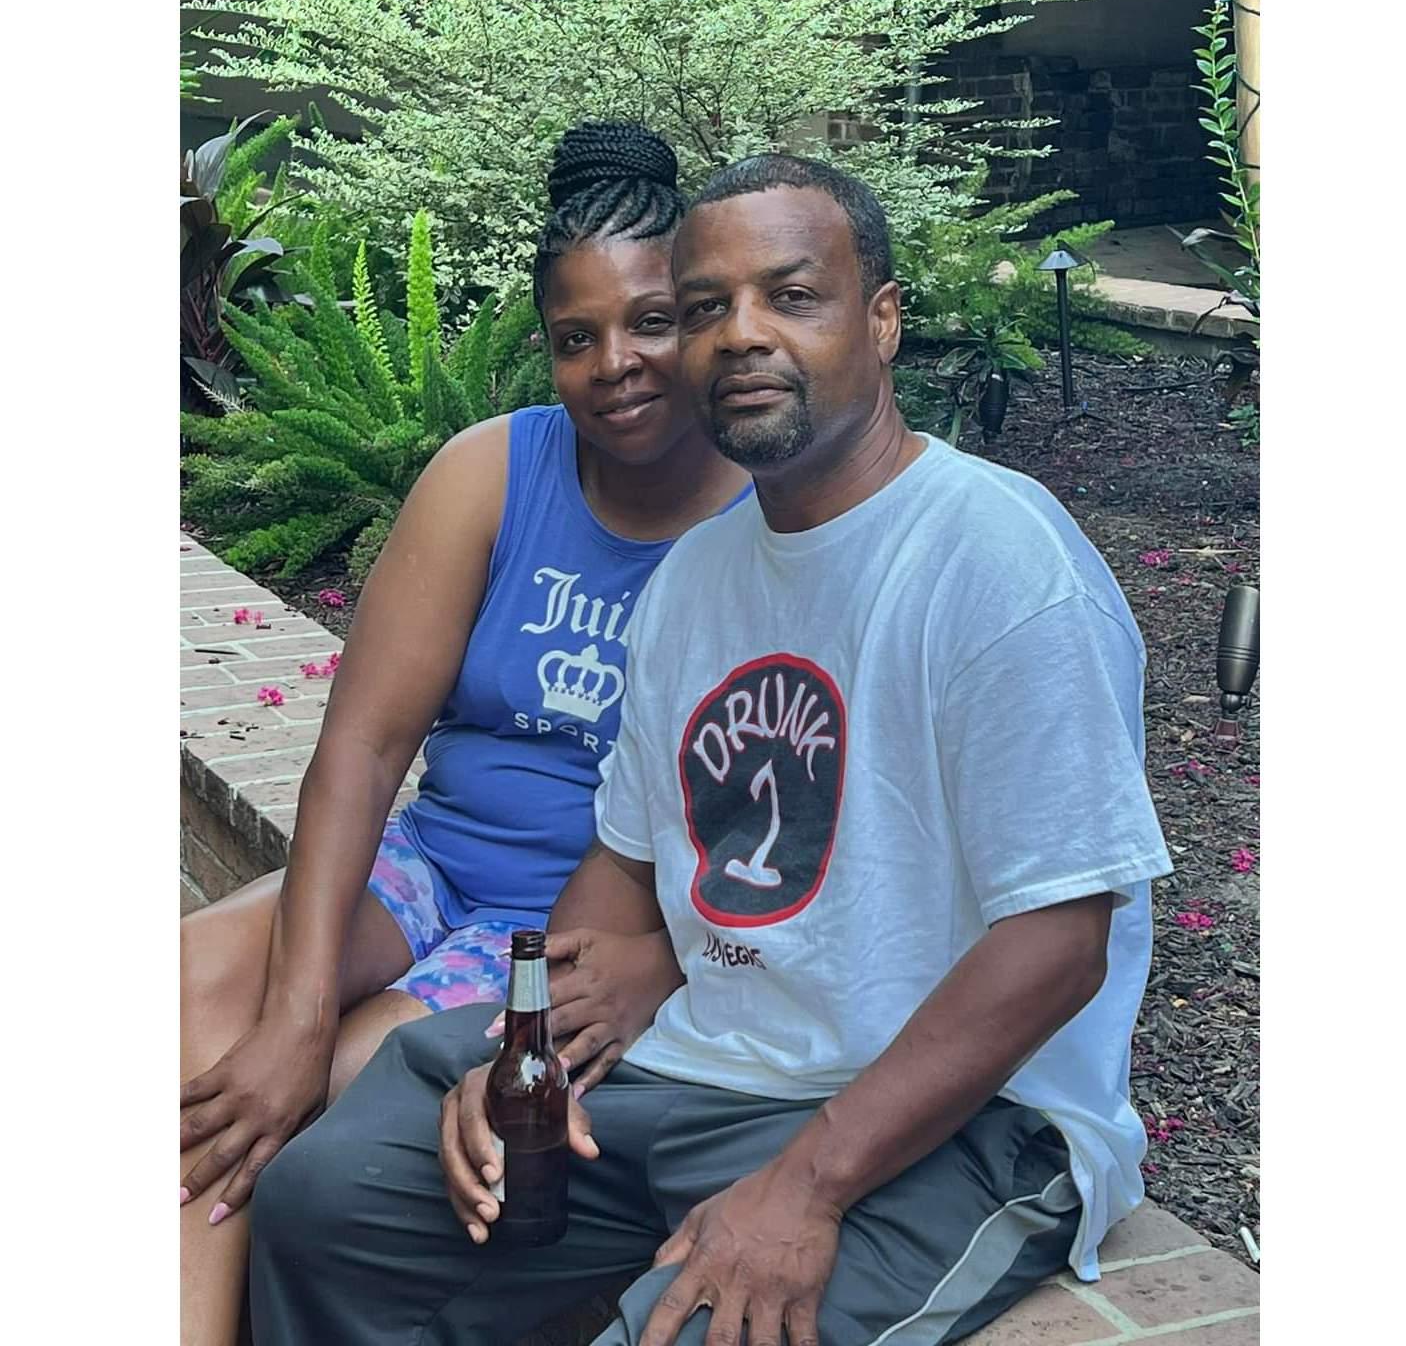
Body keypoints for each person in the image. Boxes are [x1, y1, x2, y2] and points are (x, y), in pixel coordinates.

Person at [246, 154, 1174, 1346]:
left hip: (968, 1125)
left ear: (882, 321)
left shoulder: (997, 561)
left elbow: (1059, 943)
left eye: (791, 296)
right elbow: (625, 865)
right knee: (332, 1194)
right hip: (704, 1070)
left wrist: (806, 1188)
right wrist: (530, 1050)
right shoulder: (698, 578)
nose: (739, 335)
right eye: (703, 309)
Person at [178, 121, 751, 1346]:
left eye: (652, 322)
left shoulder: (768, 519)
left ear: (704, 317)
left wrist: (310, 1043)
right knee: (182, 1001)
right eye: (575, 337)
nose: (616, 364)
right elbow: (363, 748)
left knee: (342, 1091)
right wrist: (291, 1013)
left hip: (569, 932)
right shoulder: (495, 472)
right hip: (431, 865)